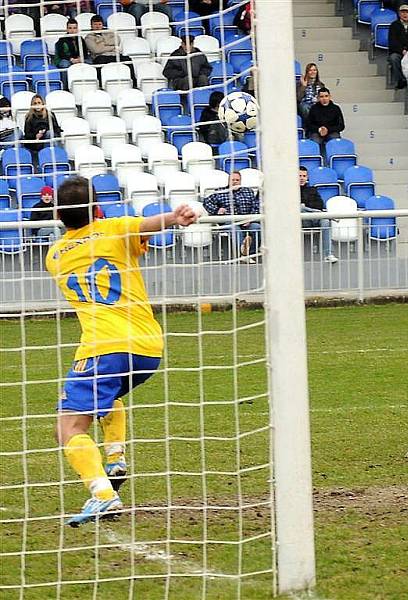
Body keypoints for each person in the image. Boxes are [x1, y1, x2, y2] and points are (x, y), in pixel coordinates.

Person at [46, 175, 197, 526]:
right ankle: (114, 457)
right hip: (148, 349)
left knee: (67, 428)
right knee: (109, 395)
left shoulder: (54, 257)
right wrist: (177, 217)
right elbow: (148, 223)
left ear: (57, 213)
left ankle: (102, 494)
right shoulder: (116, 230)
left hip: (103, 347)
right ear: (96, 206)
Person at [202, 171, 261, 261]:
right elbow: (206, 202)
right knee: (235, 229)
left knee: (257, 228)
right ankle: (242, 254)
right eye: (233, 180)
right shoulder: (220, 192)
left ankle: (250, 254)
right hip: (229, 222)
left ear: (240, 181)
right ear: (228, 181)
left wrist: (250, 219)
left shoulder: (248, 191)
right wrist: (217, 210)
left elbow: (255, 206)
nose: (235, 182)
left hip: (247, 221)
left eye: (237, 180)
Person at [299, 166, 338, 263]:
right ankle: (322, 214)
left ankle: (328, 254)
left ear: (307, 177)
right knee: (299, 208)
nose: (302, 178)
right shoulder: (289, 191)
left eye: (304, 176)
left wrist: (307, 207)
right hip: (300, 221)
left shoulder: (312, 190)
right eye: (299, 176)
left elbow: (319, 204)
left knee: (325, 221)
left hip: (314, 218)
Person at [84, 15, 136, 84]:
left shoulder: (108, 32)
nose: (97, 26)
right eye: (95, 24)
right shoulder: (88, 37)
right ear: (91, 25)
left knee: (128, 59)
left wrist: (103, 43)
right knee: (99, 61)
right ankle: (101, 84)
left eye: (99, 24)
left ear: (102, 25)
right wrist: (112, 47)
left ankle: (134, 82)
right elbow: (96, 50)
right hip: (101, 56)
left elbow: (117, 40)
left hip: (114, 55)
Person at [304, 87, 345, 159]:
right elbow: (309, 124)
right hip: (317, 132)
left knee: (335, 140)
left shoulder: (336, 108)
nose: (324, 99)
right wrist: (319, 129)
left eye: (326, 96)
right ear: (318, 98)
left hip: (332, 131)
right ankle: (317, 163)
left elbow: (341, 126)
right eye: (321, 96)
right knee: (315, 141)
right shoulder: (313, 108)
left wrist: (328, 129)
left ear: (330, 97)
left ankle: (334, 162)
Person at [23, 94, 62, 163]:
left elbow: (56, 128)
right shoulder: (29, 117)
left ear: (43, 104)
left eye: (39, 103)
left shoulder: (50, 114)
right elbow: (27, 134)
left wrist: (45, 131)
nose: (37, 105)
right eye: (35, 103)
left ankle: (52, 157)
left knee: (50, 134)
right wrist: (36, 135)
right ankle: (53, 157)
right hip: (36, 142)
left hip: (49, 137)